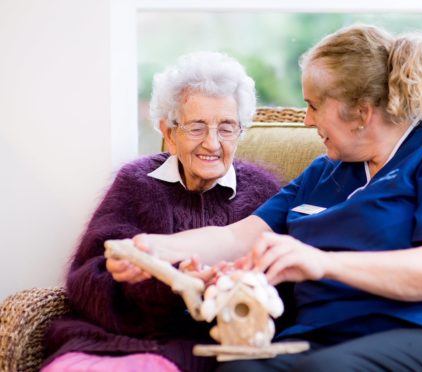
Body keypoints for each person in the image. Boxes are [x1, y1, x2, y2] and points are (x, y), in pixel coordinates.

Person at [123, 25, 422, 371]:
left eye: (313, 106)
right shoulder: (327, 171)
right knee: (242, 368)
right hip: (328, 336)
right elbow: (236, 239)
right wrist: (154, 248)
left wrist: (320, 263)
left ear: (361, 112)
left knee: (328, 368)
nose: (307, 120)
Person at [41, 52, 281, 372]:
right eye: (197, 127)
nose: (212, 143)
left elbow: (283, 295)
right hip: (104, 342)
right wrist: (163, 285)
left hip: (194, 352)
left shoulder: (263, 193)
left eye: (226, 128)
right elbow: (87, 282)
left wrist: (225, 287)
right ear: (169, 132)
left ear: (241, 131)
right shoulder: (137, 183)